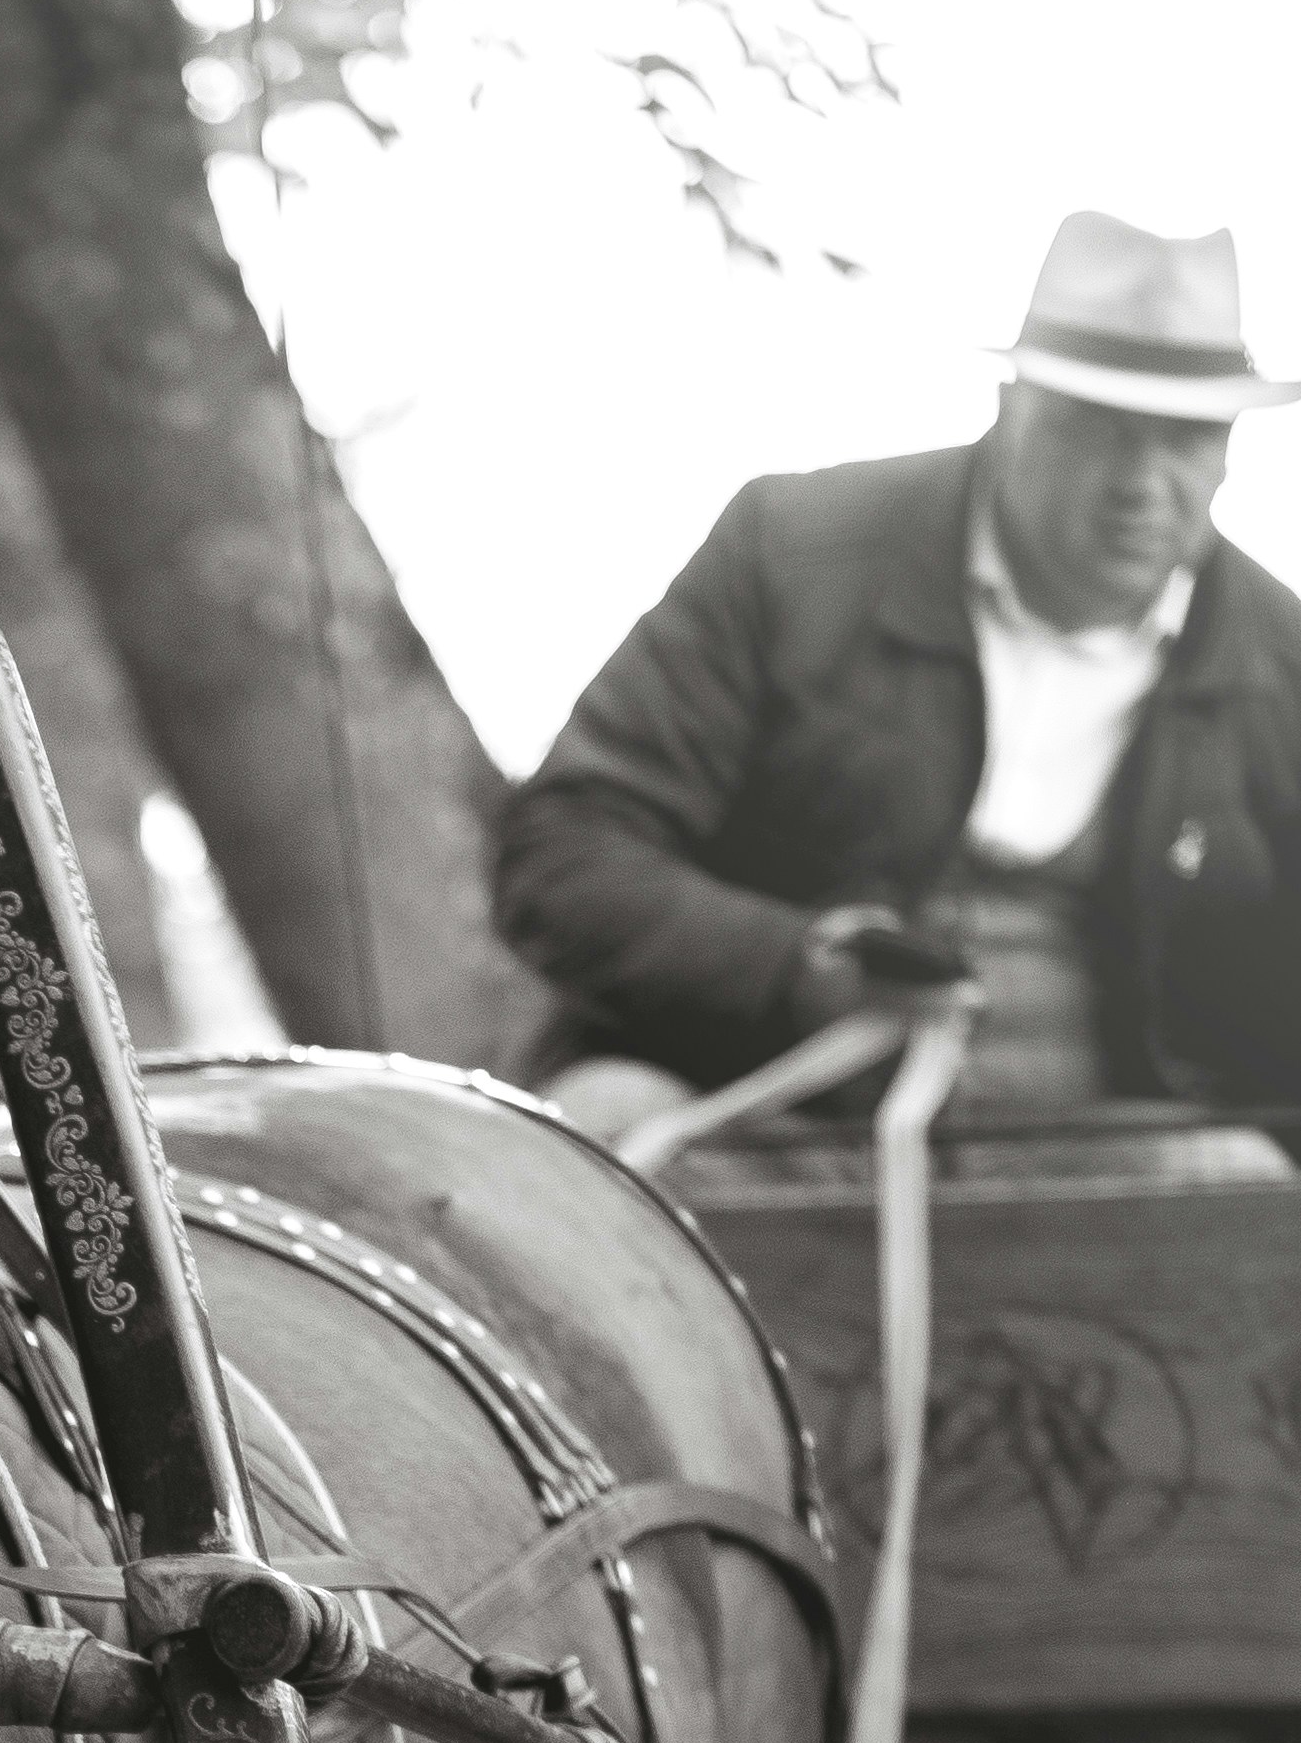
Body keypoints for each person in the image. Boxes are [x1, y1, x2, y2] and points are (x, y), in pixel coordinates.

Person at [495, 214, 1301, 1141]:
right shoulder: (789, 554)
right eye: (1099, 429)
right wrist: (793, 970)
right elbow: (563, 850)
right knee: (607, 1129)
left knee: (1239, 1179)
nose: (1140, 483)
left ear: (1229, 445)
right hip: (768, 1114)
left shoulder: (1280, 666)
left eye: (1185, 438)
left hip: (1123, 1162)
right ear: (1012, 409)